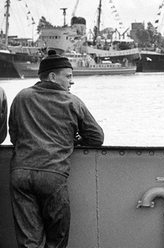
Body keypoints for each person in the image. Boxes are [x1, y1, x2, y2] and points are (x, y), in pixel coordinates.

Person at [8, 52, 104, 248]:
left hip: (20, 173)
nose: (71, 82)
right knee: (57, 237)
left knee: (28, 239)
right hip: (52, 174)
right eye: (68, 76)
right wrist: (74, 140)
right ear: (52, 77)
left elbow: (14, 135)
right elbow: (96, 138)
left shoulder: (21, 97)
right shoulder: (72, 101)